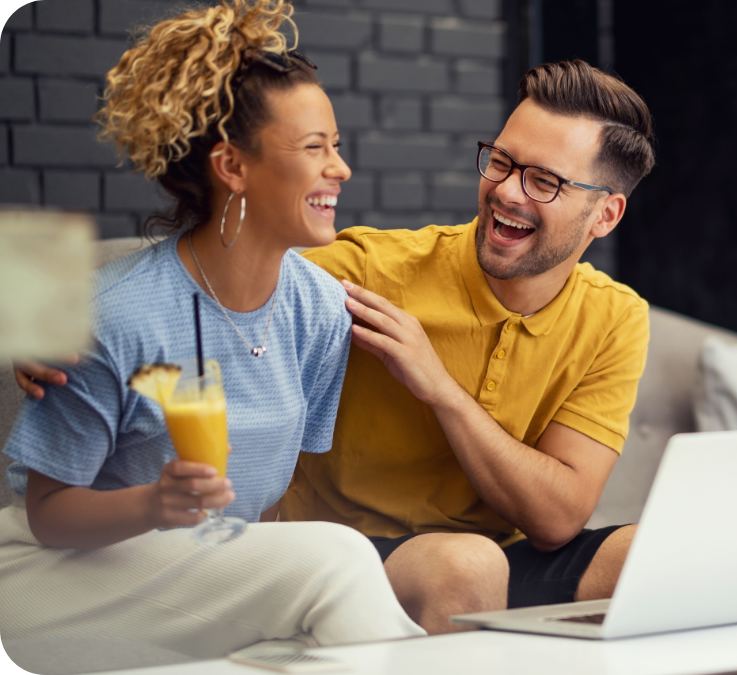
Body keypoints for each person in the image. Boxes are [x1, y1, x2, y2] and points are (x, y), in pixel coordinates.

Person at [16, 60, 657, 635]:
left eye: (544, 180)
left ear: (605, 216)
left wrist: (438, 387)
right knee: (466, 566)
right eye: (502, 162)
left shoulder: (616, 316)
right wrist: (42, 320)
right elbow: (212, 260)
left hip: (507, 552)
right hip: (361, 551)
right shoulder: (364, 271)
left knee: (656, 556)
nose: (507, 191)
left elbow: (557, 519)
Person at [0, 0, 423, 657]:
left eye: (335, 146)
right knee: (337, 557)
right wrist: (153, 504)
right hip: (60, 573)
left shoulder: (320, 310)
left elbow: (266, 515)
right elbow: (48, 514)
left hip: (197, 569)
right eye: (316, 148)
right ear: (232, 167)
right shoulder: (111, 314)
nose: (339, 168)